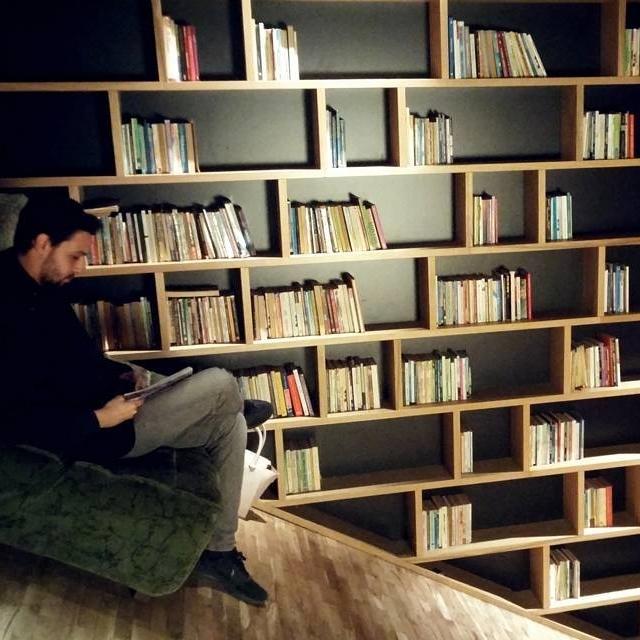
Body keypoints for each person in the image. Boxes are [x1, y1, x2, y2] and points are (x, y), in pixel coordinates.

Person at [0, 194, 271, 607]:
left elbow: (75, 356)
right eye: (75, 256)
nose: (81, 268)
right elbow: (13, 418)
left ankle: (218, 553)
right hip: (97, 434)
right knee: (219, 383)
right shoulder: (6, 308)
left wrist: (119, 376)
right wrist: (99, 418)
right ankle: (233, 404)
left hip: (108, 404)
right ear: (41, 243)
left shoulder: (44, 285)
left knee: (228, 425)